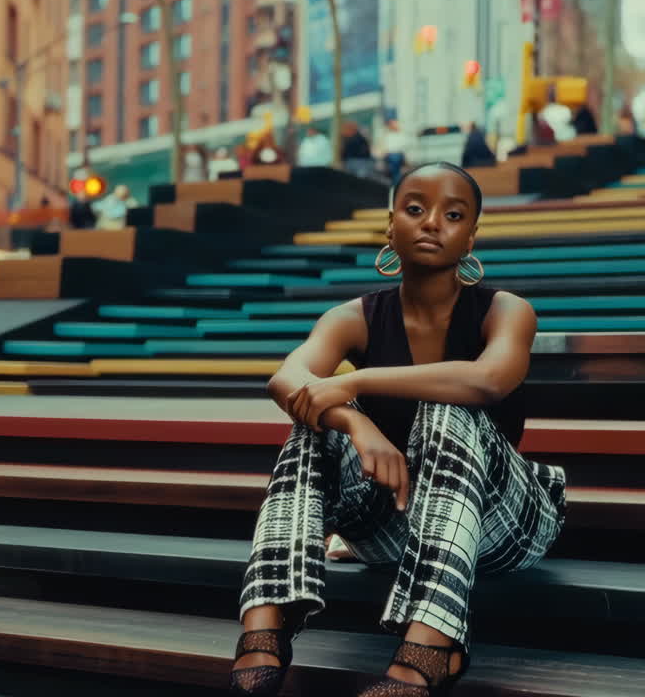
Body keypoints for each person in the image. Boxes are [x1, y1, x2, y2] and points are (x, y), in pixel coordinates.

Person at [230, 162, 567, 697]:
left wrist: (356, 380)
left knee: (447, 410)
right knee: (311, 431)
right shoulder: (353, 317)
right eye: (416, 209)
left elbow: (487, 382)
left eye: (453, 215)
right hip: (396, 521)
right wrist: (354, 420)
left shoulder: (506, 311)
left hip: (503, 523)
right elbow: (287, 379)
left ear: (471, 234)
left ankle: (430, 651)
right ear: (391, 226)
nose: (432, 222)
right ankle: (268, 618)